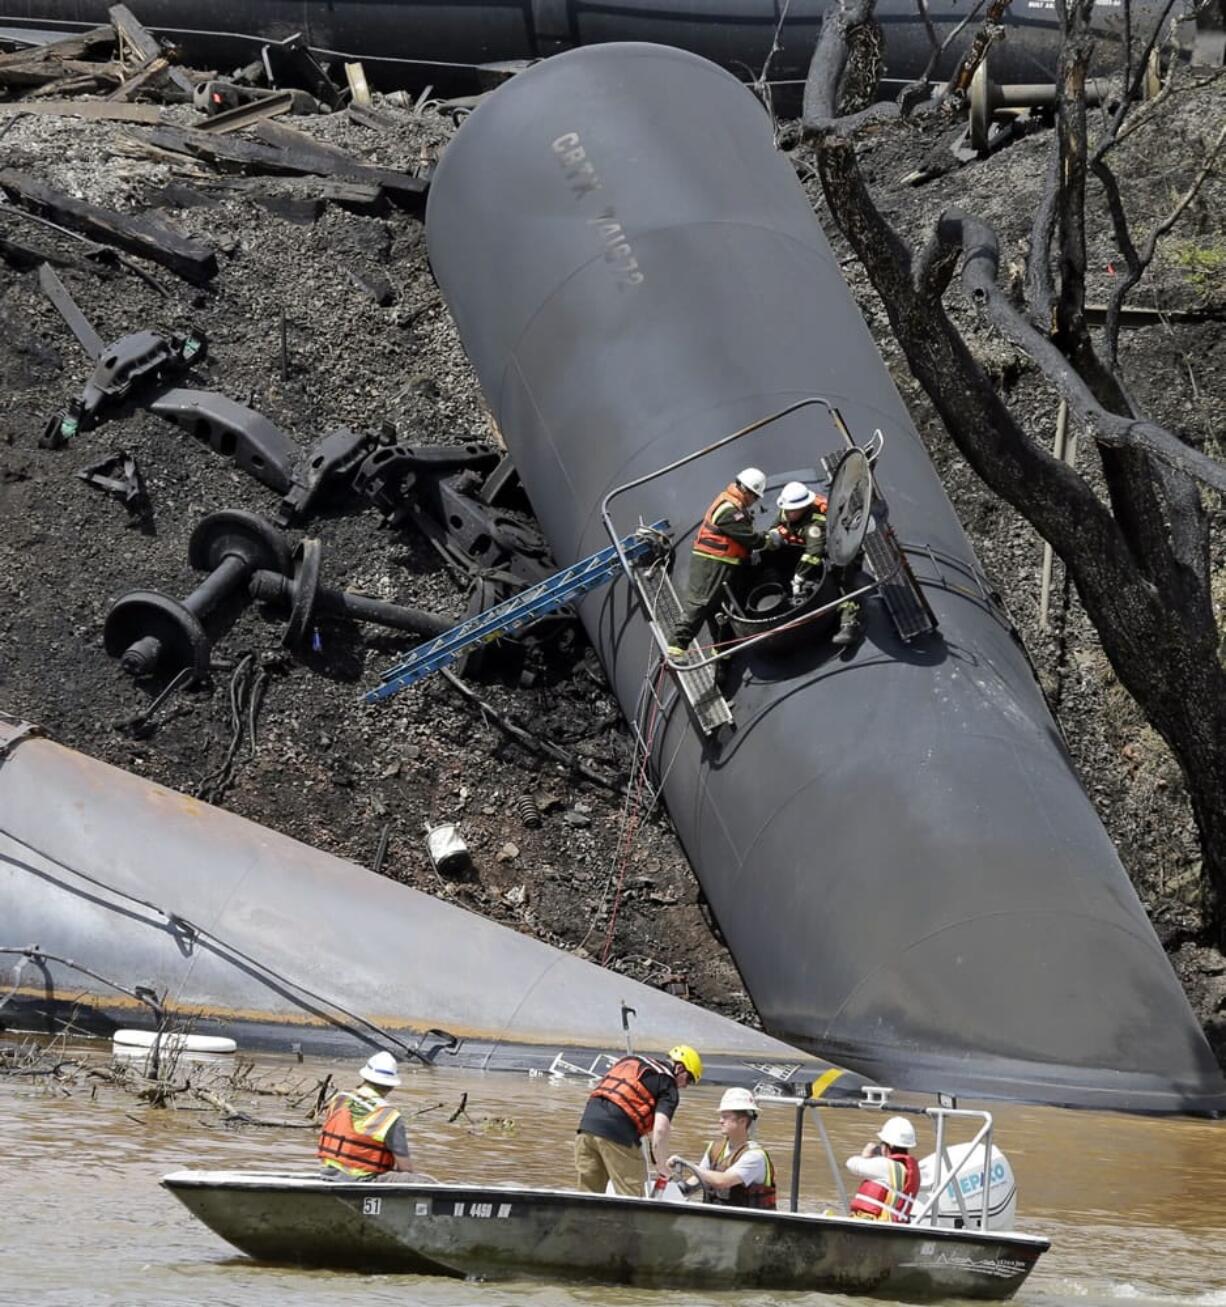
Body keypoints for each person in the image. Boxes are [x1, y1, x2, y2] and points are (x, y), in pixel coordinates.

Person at [574, 1044, 703, 1197]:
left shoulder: (631, 1060)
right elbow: (661, 1129)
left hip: (586, 1128)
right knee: (631, 1196)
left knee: (588, 1196)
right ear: (680, 1068)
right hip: (619, 1134)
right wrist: (661, 1166)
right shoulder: (668, 1084)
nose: (686, 1086)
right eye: (689, 1079)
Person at [668, 468, 770, 656]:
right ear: (746, 491)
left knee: (719, 609)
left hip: (725, 564)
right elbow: (750, 538)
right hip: (711, 564)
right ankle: (676, 648)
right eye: (755, 497)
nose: (754, 501)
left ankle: (722, 651)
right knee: (701, 604)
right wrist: (769, 539)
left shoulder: (735, 506)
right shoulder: (729, 510)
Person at [766, 479, 861, 647]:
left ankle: (849, 624)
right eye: (786, 510)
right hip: (812, 549)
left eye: (791, 511)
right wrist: (773, 535)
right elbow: (778, 524)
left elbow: (813, 553)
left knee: (843, 582)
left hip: (839, 549)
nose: (787, 514)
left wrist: (799, 576)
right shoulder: (788, 510)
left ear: (803, 508)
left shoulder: (816, 523)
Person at [670, 1087, 776, 1209]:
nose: (720, 1121)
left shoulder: (755, 1156)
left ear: (742, 1121)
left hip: (750, 1223)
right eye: (721, 1116)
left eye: (725, 1117)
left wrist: (687, 1164)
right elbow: (699, 1178)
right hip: (719, 1220)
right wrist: (676, 1188)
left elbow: (722, 1181)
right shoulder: (714, 1148)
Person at [317, 1051, 415, 1181]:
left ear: (365, 1077)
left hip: (328, 1173)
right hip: (362, 1179)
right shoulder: (389, 1115)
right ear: (391, 1086)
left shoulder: (339, 1099)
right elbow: (405, 1168)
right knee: (422, 1181)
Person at [845, 1116, 920, 1222]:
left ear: (889, 1145)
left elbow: (851, 1164)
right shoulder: (908, 1169)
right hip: (894, 1225)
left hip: (873, 1226)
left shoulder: (885, 1166)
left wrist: (865, 1155)